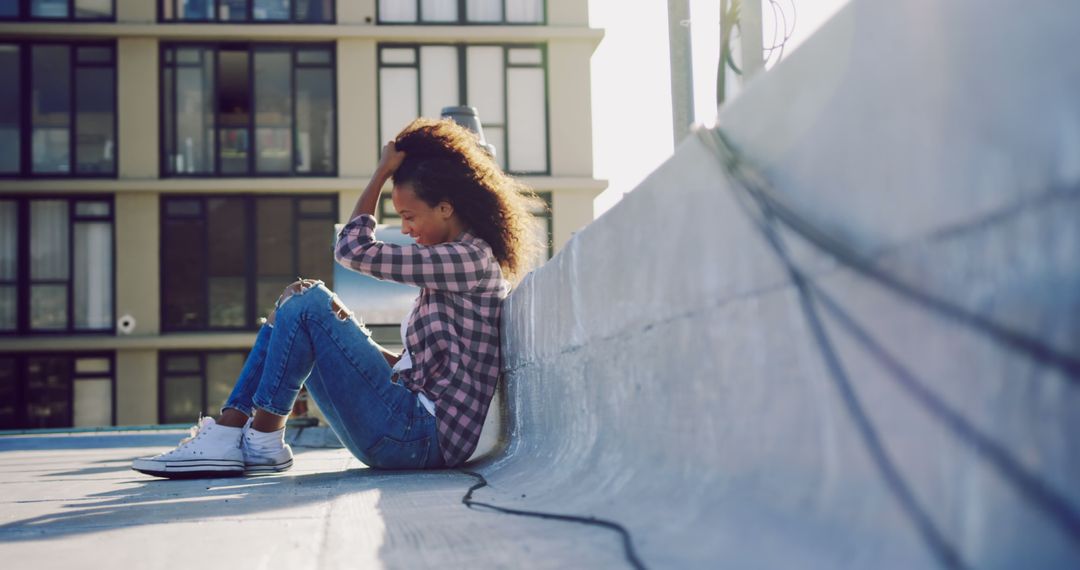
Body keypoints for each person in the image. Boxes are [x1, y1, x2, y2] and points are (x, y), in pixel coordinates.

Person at [132, 118, 544, 478]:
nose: (405, 229)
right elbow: (412, 369)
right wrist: (346, 331)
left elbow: (351, 249)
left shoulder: (466, 260)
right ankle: (234, 431)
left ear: (445, 208)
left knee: (309, 302)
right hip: (409, 431)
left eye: (408, 216)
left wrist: (381, 173)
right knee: (295, 305)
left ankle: (254, 437)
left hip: (418, 437)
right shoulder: (457, 262)